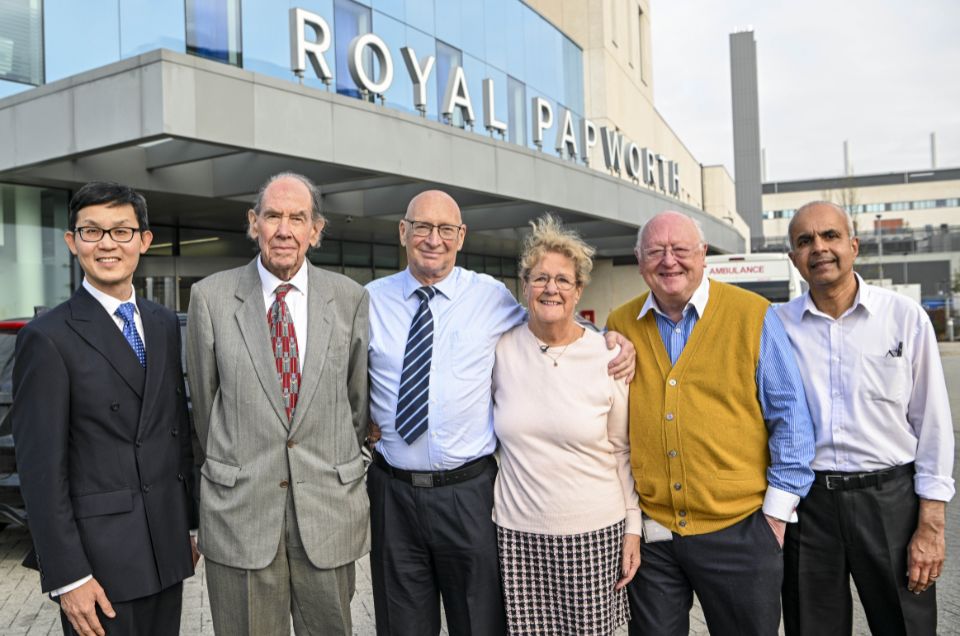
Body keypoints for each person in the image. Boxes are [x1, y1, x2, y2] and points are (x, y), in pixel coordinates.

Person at [365, 190, 635, 636]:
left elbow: (551, 320)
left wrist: (609, 337)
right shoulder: (370, 301)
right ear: (403, 232)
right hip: (393, 493)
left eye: (445, 229)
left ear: (461, 236)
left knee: (479, 624)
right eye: (422, 227)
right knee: (401, 626)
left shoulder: (489, 297)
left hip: (468, 495)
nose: (433, 239)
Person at [605, 210, 816, 636]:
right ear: (638, 258)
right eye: (656, 251)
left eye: (681, 249)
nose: (669, 261)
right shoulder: (620, 323)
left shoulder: (753, 315)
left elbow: (790, 418)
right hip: (655, 536)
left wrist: (773, 520)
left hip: (740, 530)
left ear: (703, 254)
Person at [186, 172, 369, 636]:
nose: (284, 229)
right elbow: (205, 410)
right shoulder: (210, 298)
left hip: (327, 513)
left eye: (297, 218)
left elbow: (356, 404)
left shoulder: (349, 298)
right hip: (241, 515)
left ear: (316, 230)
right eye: (272, 216)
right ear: (254, 223)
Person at [11, 181, 197, 636]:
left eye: (122, 231)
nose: (108, 243)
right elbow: (40, 472)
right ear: (72, 242)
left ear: (144, 240)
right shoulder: (47, 337)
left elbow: (177, 428)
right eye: (92, 231)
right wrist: (68, 576)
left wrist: (189, 527)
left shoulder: (162, 323)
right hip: (99, 562)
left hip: (166, 549)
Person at [777, 201, 955, 635]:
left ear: (853, 246)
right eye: (805, 241)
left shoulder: (904, 317)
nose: (818, 248)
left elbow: (932, 422)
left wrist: (931, 524)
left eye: (830, 236)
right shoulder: (776, 326)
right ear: (794, 259)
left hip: (890, 501)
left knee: (905, 625)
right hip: (810, 506)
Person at [492, 214, 640, 635]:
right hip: (517, 536)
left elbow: (622, 450)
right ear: (524, 286)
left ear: (579, 290)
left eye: (563, 280)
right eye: (540, 278)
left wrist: (633, 527)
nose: (550, 288)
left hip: (594, 534)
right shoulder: (500, 350)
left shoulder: (607, 356)